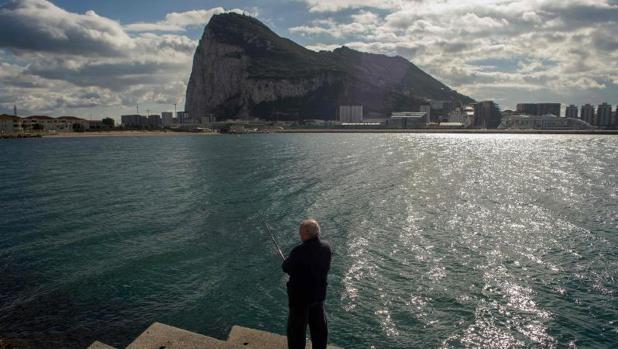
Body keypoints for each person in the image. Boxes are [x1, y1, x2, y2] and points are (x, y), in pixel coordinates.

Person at [282, 219, 332, 349]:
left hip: (300, 299)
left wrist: (288, 261)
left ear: (306, 234)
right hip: (318, 296)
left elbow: (286, 267)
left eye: (301, 232)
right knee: (319, 329)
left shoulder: (298, 251)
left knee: (296, 331)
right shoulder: (326, 247)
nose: (299, 235)